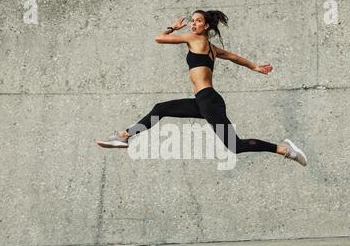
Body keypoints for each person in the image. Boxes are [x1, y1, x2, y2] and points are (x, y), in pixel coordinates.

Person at [97, 10, 307, 166]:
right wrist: (254, 66)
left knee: (235, 146)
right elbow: (233, 56)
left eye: (198, 21)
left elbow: (159, 38)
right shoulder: (211, 48)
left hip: (208, 100)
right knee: (160, 108)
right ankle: (124, 135)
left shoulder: (194, 39)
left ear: (206, 26)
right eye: (193, 21)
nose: (193, 24)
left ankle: (284, 150)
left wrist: (172, 28)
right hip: (204, 101)